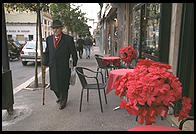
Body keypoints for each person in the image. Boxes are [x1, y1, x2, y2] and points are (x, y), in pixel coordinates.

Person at [42, 20, 78, 110]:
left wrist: (74, 63)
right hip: (53, 66)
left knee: (64, 84)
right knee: (54, 85)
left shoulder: (68, 39)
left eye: (57, 28)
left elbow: (73, 52)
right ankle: (59, 96)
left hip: (64, 66)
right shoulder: (49, 39)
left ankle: (63, 101)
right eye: (54, 28)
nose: (55, 30)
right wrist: (44, 63)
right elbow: (47, 52)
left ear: (61, 28)